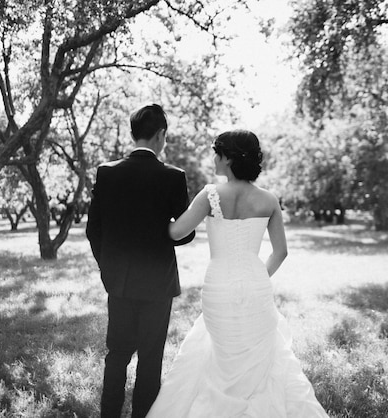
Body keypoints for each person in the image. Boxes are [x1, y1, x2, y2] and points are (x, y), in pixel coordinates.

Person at [146, 130, 329, 417]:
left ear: (229, 158)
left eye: (217, 153)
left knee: (222, 356)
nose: (214, 158)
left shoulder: (210, 195)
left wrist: (151, 215)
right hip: (256, 286)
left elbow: (176, 231)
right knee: (259, 356)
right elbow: (281, 252)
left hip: (218, 286)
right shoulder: (268, 200)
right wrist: (256, 278)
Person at [86, 103, 195, 418]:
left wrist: (107, 268)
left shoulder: (107, 172)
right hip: (158, 284)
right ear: (161, 135)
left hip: (118, 281)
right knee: (150, 359)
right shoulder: (173, 176)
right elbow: (183, 234)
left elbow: (94, 230)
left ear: (133, 133)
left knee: (116, 355)